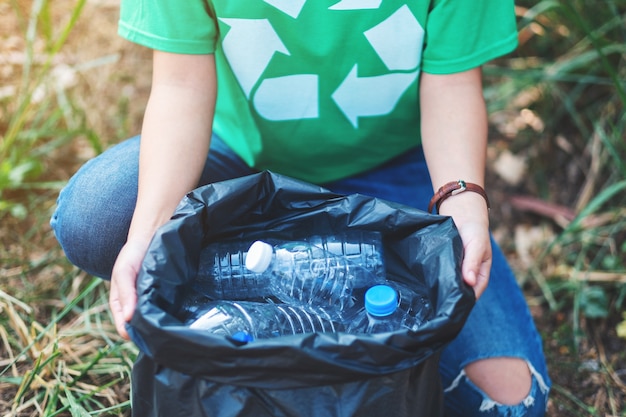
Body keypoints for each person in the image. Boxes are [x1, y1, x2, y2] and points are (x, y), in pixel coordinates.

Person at [51, 1, 551, 415]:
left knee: (507, 401)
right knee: (99, 218)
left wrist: (461, 200)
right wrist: (150, 231)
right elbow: (181, 84)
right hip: (238, 165)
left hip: (394, 170)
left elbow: (452, 84)